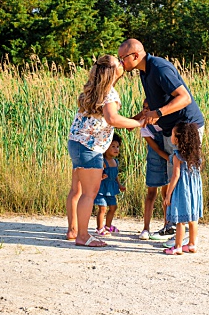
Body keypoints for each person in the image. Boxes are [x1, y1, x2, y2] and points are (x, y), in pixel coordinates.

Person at [117, 39, 206, 240]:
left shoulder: (159, 67)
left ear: (136, 56)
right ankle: (173, 229)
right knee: (171, 177)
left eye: (123, 59)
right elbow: (154, 105)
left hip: (186, 128)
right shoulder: (144, 71)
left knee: (184, 179)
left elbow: (184, 98)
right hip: (171, 129)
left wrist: (158, 112)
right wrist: (134, 121)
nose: (121, 63)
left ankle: (185, 237)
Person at [66, 55, 144, 247]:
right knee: (89, 194)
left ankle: (73, 230)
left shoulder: (92, 89)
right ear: (111, 71)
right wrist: (138, 122)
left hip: (76, 142)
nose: (121, 62)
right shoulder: (109, 93)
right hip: (89, 147)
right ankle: (83, 236)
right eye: (118, 61)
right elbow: (112, 119)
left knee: (77, 190)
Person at [162, 122, 203, 255]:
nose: (171, 137)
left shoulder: (177, 156)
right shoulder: (196, 155)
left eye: (173, 134)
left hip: (182, 189)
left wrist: (168, 194)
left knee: (180, 220)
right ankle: (192, 244)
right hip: (194, 191)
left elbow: (175, 175)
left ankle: (178, 246)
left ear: (178, 138)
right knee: (193, 219)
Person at [139, 119, 171, 240]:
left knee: (167, 194)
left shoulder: (166, 124)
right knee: (151, 194)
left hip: (168, 161)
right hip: (156, 162)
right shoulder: (146, 128)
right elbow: (156, 149)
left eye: (148, 108)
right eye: (144, 108)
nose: (146, 111)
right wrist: (170, 159)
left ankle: (167, 225)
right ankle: (146, 227)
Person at [94, 134, 124, 236]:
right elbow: (96, 173)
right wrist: (101, 177)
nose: (116, 149)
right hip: (102, 188)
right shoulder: (102, 161)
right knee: (103, 208)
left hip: (111, 189)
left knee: (113, 207)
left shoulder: (115, 162)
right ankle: (99, 228)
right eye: (113, 146)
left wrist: (120, 185)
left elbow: (115, 176)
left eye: (117, 146)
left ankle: (108, 225)